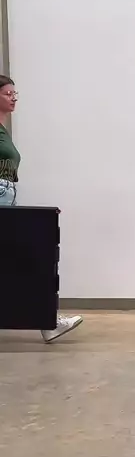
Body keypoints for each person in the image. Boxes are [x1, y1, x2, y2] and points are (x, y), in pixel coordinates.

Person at [0, 74, 83, 342]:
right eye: (7, 94)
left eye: (15, 94)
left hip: (7, 195)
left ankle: (47, 322)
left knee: (20, 262)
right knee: (25, 260)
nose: (13, 98)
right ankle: (48, 323)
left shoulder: (3, 129)